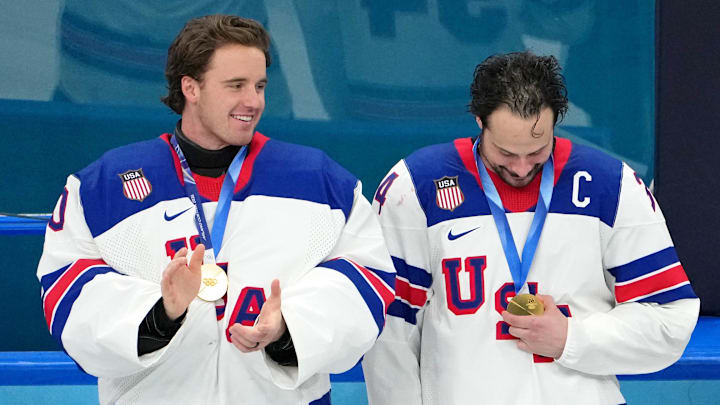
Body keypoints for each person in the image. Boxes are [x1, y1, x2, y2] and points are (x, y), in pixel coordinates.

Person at [37, 14, 394, 405]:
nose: (253, 101)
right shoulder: (103, 185)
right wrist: (160, 314)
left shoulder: (320, 180)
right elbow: (66, 290)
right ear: (191, 87)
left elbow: (369, 278)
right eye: (235, 86)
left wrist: (289, 330)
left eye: (259, 86)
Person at [361, 51, 699, 405]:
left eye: (537, 151)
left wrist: (573, 338)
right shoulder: (415, 187)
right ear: (479, 120)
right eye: (506, 153)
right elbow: (392, 330)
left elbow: (669, 320)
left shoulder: (611, 186)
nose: (522, 169)